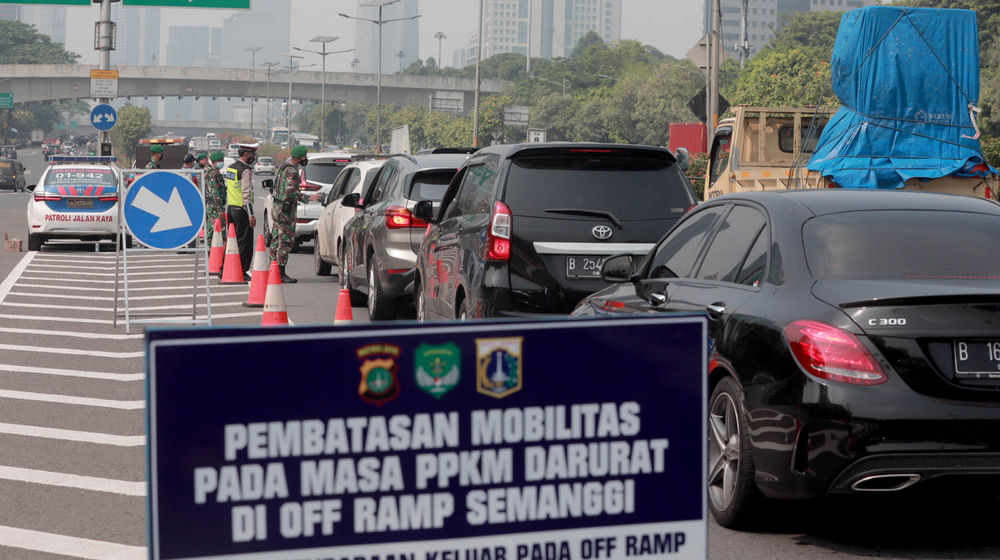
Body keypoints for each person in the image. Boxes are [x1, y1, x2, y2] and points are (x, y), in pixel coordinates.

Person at [270, 145, 321, 283]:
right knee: (285, 241)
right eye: (304, 156)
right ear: (298, 157)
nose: (306, 159)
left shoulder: (283, 167)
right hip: (285, 210)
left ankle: (272, 269)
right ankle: (280, 272)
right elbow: (290, 192)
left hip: (277, 207)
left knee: (276, 239)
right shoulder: (292, 171)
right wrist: (309, 198)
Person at [224, 144, 259, 279]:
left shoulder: (231, 167)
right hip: (242, 209)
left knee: (232, 241)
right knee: (244, 242)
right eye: (252, 154)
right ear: (246, 154)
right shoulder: (245, 170)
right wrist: (251, 214)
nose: (253, 157)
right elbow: (246, 193)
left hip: (231, 207)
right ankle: (242, 271)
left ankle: (225, 268)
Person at [204, 152, 227, 247]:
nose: (222, 162)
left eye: (222, 161)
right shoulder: (214, 174)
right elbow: (215, 192)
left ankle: (210, 249)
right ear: (214, 162)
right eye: (220, 161)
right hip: (215, 206)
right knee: (218, 228)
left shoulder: (211, 172)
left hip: (211, 205)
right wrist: (220, 209)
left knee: (212, 228)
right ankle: (216, 250)